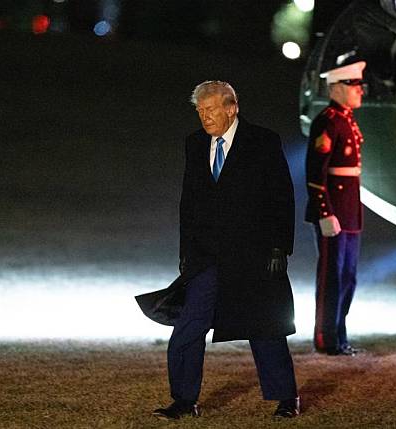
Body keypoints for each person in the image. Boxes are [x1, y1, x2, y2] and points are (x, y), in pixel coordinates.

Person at [152, 81, 299, 420]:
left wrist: (280, 246)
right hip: (206, 257)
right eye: (201, 111)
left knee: (265, 326)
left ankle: (286, 397)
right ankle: (184, 401)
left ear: (232, 107)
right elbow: (188, 203)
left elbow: (281, 197)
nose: (205, 117)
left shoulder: (263, 141)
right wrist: (186, 252)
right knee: (189, 326)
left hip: (254, 255)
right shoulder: (194, 144)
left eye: (212, 109)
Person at [305, 60, 366, 356]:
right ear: (337, 88)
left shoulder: (347, 120)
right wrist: (324, 212)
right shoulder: (327, 120)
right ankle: (325, 337)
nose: (360, 91)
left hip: (350, 211)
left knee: (348, 276)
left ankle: (339, 335)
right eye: (355, 85)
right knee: (332, 276)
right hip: (334, 213)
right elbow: (315, 173)